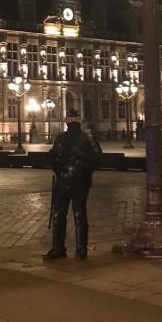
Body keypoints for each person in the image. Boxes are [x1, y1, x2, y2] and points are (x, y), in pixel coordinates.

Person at [44, 109, 101, 261]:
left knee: (74, 214)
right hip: (68, 180)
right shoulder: (63, 137)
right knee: (63, 214)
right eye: (71, 119)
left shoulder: (85, 137)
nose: (71, 121)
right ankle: (64, 249)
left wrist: (78, 156)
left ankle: (75, 250)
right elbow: (54, 158)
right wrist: (55, 159)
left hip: (75, 180)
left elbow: (97, 159)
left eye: (72, 119)